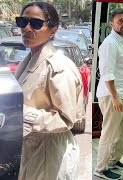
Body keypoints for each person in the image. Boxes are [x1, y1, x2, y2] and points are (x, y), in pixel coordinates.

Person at [14, 2, 83, 180]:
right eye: (22, 22)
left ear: (53, 30)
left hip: (49, 154)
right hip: (32, 148)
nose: (27, 28)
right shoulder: (28, 60)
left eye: (36, 24)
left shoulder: (59, 67)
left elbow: (66, 118)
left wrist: (23, 115)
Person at [94, 8, 123, 180]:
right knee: (109, 132)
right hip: (112, 95)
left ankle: (113, 161)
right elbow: (107, 73)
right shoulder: (109, 44)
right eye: (119, 21)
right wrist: (115, 97)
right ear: (112, 24)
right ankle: (100, 169)